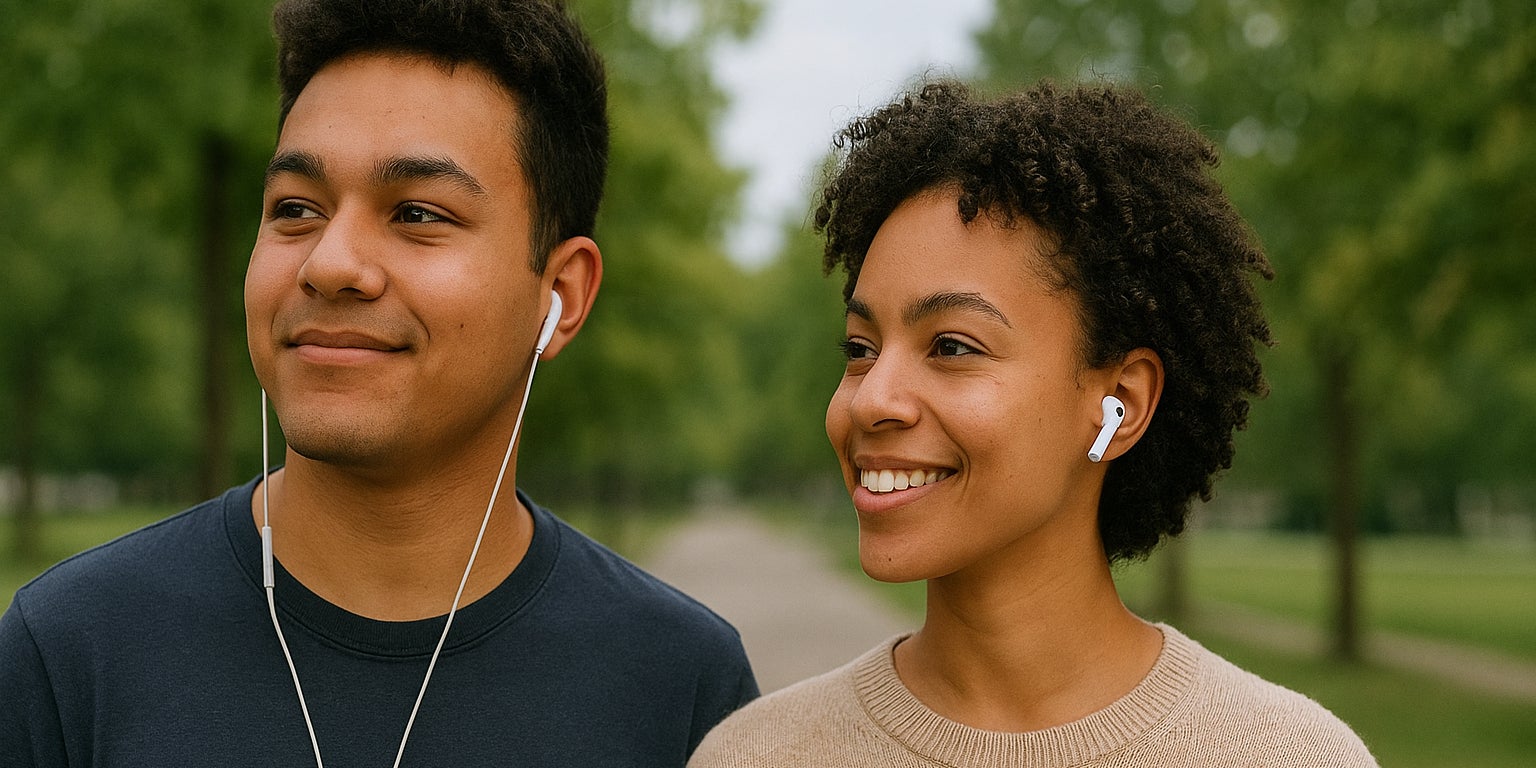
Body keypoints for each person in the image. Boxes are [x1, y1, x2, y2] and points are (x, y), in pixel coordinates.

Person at [0, 1, 756, 765]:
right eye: (295, 208)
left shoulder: (681, 686)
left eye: (417, 213)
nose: (328, 263)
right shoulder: (71, 652)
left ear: (560, 296)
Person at [689, 80, 1377, 767]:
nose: (871, 401)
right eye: (860, 349)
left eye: (952, 346)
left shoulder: (1291, 755)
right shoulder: (754, 754)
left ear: (1121, 406)